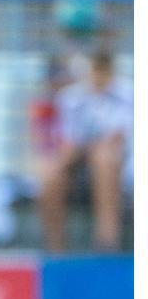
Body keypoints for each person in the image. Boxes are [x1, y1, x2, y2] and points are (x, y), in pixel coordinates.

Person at [38, 50, 132, 252]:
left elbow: (118, 139)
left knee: (105, 158)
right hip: (80, 161)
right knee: (50, 175)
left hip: (119, 164)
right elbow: (69, 142)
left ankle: (107, 240)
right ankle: (55, 248)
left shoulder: (128, 95)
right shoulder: (71, 98)